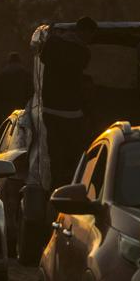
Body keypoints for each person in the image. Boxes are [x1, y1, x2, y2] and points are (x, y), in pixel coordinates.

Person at [41, 16, 96, 187]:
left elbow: (44, 58)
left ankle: (56, 187)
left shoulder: (53, 43)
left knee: (55, 155)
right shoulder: (83, 52)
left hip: (49, 108)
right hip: (72, 112)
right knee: (75, 156)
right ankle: (74, 186)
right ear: (85, 32)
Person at [0, 52, 32, 129]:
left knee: (7, 127)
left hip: (6, 105)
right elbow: (30, 91)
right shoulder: (25, 72)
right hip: (22, 105)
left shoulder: (3, 73)